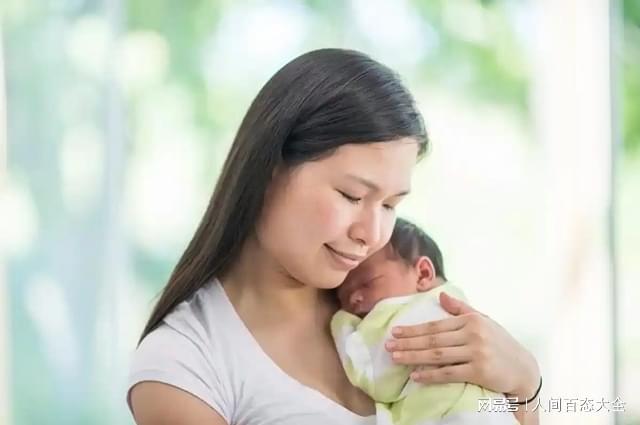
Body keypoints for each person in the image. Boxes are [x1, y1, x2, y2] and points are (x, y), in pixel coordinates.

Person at [127, 48, 541, 425]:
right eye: (352, 195)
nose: (371, 234)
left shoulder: (389, 298)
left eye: (389, 205)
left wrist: (525, 386)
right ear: (269, 170)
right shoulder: (186, 364)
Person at [332, 217, 518, 424]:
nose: (354, 298)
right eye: (342, 297)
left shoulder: (404, 317)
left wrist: (340, 322)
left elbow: (374, 375)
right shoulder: (459, 307)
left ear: (423, 274)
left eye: (367, 283)